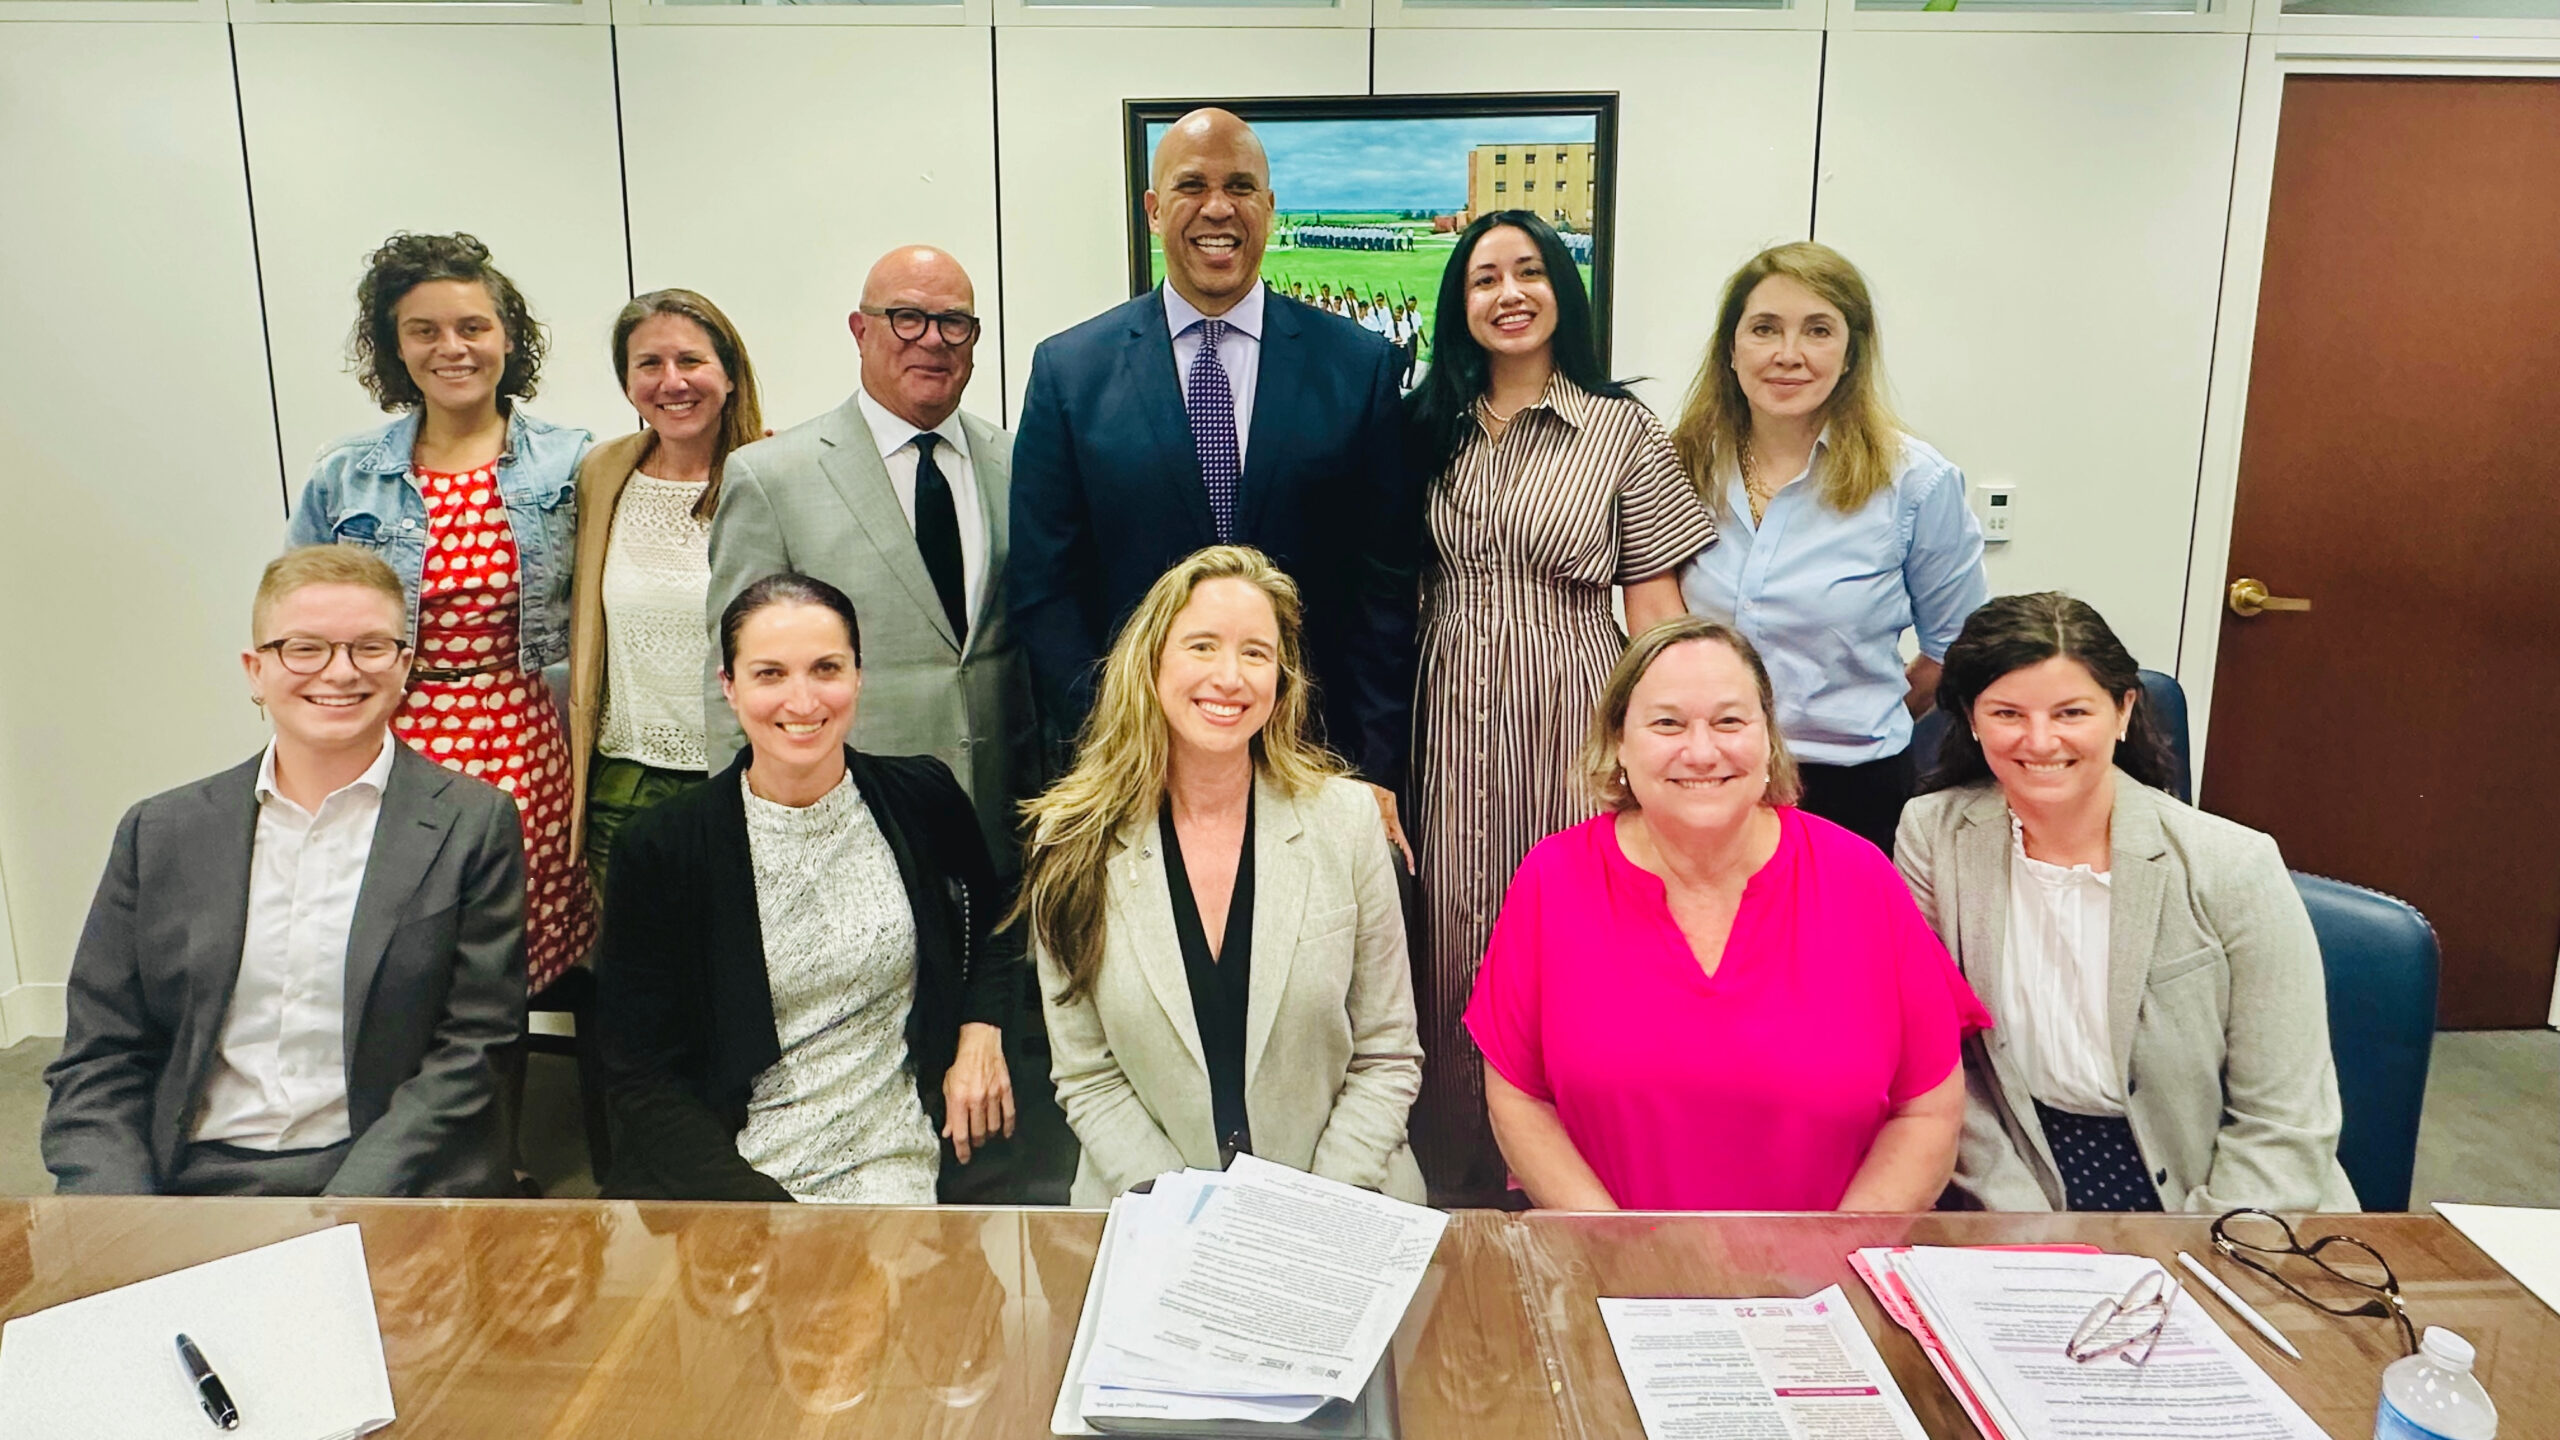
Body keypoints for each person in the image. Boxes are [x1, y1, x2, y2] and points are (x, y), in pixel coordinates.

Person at [43, 546, 526, 1197]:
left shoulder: (473, 824)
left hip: (386, 1177)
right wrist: (119, 1215)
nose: (340, 672)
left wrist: (344, 1215)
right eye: (305, 648)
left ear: (405, 666)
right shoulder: (160, 832)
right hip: (193, 1174)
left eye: (370, 648)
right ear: (256, 670)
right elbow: (102, 1055)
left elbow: (474, 1049)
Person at [1403, 209, 1717, 1204]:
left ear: (1560, 292)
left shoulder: (1621, 429)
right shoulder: (1424, 428)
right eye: (1483, 277)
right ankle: (1452, 1164)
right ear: (1459, 305)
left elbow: (1658, 609)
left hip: (1573, 706)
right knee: (1447, 926)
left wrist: (1670, 739)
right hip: (1441, 702)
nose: (1507, 293)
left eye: (1528, 271)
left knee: (1572, 932)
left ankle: (1560, 1173)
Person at [1465, 617, 1986, 1211]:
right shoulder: (1553, 879)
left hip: (1825, 1283)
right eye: (1667, 723)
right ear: (1619, 744)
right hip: (1610, 1272)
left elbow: (1928, 1108)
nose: (1702, 750)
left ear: (1769, 740)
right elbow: (1518, 1097)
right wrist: (1613, 1247)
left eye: (1729, 721)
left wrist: (1833, 1256)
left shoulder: (1859, 878)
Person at [1010, 108, 1421, 844]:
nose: (1218, 207)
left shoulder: (1357, 368)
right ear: (1154, 209)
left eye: (1240, 186)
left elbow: (1383, 591)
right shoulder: (1070, 373)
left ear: (1268, 206)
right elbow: (1046, 590)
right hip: (1130, 766)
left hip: (1313, 760)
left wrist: (1372, 764)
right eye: (1192, 185)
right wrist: (1110, 741)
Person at [1896, 593, 2356, 1212]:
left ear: (2122, 711)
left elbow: (2285, 1122)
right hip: (2018, 1177)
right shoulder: (1932, 835)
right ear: (1972, 721)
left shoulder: (2232, 863)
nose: (2040, 740)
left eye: (2071, 712)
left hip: (2225, 1196)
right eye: (2007, 713)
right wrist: (2025, 1226)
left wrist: (2197, 1254)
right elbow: (1943, 1066)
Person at [595, 573, 1026, 1203]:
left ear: (858, 676)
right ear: (729, 686)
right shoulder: (662, 849)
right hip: (729, 1174)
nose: (802, 701)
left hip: (895, 1154)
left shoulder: (922, 797)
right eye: (770, 674)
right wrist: (763, 1216)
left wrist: (981, 1027)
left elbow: (998, 921)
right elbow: (642, 1076)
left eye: (826, 668)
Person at [1022, 547, 1424, 1204]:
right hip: (1149, 1207)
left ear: (1282, 678)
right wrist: (1192, 1220)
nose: (1230, 677)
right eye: (1202, 647)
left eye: (1256, 653)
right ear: (1151, 663)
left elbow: (1386, 1055)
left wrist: (1315, 1209)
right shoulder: (1070, 840)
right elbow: (1087, 1075)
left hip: (1345, 1202)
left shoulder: (1348, 822)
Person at [289, 231, 597, 996]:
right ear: (396, 348)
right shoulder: (346, 474)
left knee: (504, 956)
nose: (451, 348)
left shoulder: (572, 462)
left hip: (526, 739)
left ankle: (498, 1105)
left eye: (472, 327)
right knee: (401, 953)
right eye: (423, 330)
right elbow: (297, 618)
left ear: (507, 338)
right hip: (387, 737)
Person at [706, 247, 1034, 880]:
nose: (933, 341)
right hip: (845, 828)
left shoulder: (1018, 461)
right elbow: (732, 674)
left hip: (1005, 829)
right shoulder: (772, 477)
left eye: (954, 323)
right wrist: (741, 836)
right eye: (906, 318)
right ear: (860, 331)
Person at [1673, 241, 1988, 855]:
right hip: (1702, 778)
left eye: (1818, 330)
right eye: (1764, 329)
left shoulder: (1914, 482)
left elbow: (1954, 650)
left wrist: (1858, 710)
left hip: (1850, 789)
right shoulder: (1678, 466)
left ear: (1850, 353)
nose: (1788, 355)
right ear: (1731, 350)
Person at [568, 289, 765, 895]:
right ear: (628, 382)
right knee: (641, 979)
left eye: (691, 361)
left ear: (729, 374)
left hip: (745, 778)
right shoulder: (604, 473)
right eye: (649, 364)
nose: (671, 382)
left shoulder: (772, 472)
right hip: (623, 785)